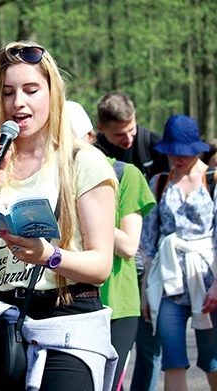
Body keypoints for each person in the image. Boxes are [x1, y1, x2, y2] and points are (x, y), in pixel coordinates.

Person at [0, 41, 118, 390]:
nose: (19, 102)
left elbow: (101, 266)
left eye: (31, 90)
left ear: (52, 94)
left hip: (67, 326)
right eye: (8, 93)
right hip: (6, 329)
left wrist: (48, 255)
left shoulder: (82, 162)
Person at [67, 100, 157, 391]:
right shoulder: (51, 180)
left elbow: (130, 246)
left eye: (72, 142)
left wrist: (90, 211)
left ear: (91, 137)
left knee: (109, 385)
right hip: (71, 303)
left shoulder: (124, 174)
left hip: (117, 302)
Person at [96, 92, 169, 391]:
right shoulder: (94, 155)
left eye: (131, 129)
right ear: (101, 129)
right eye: (119, 134)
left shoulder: (155, 145)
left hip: (150, 253)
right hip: (115, 259)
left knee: (149, 345)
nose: (128, 138)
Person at [141, 114, 217, 391]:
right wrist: (146, 292)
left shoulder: (213, 179)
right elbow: (148, 242)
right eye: (171, 152)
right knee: (172, 361)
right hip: (168, 283)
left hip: (208, 283)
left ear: (197, 149)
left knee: (212, 361)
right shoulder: (159, 182)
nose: (177, 159)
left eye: (183, 153)